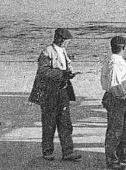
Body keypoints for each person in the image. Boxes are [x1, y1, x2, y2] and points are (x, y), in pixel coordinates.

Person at [29, 28, 81, 161]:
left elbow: (65, 66)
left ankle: (68, 152)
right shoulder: (47, 51)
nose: (67, 43)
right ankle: (47, 151)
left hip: (62, 90)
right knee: (49, 122)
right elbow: (43, 71)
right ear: (60, 39)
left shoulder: (63, 51)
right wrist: (62, 73)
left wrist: (69, 73)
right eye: (67, 41)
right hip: (49, 93)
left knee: (65, 123)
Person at [100, 36, 126, 170]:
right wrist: (124, 96)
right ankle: (112, 161)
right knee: (115, 130)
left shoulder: (116, 60)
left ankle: (121, 154)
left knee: (125, 127)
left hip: (120, 98)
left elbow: (118, 77)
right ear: (123, 47)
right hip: (117, 99)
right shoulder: (115, 62)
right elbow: (114, 84)